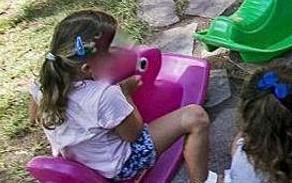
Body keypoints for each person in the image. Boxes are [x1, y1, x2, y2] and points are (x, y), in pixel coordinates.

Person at [29, 10, 211, 182]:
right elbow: (134, 134)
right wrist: (126, 94)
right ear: (87, 69)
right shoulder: (105, 95)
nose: (121, 51)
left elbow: (34, 116)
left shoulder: (42, 83)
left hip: (80, 159)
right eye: (112, 50)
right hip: (120, 166)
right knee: (195, 117)